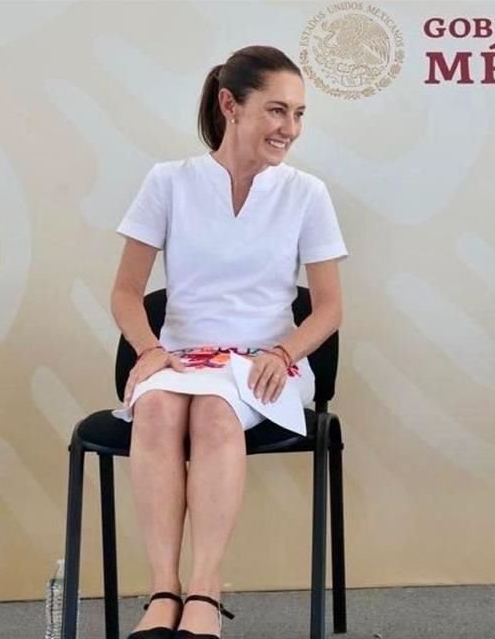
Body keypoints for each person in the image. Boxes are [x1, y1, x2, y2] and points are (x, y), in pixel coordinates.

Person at [110, 45, 346, 639]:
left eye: (297, 115)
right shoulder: (168, 182)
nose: (289, 129)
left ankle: (206, 595)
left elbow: (330, 308)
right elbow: (125, 293)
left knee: (215, 413)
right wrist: (149, 349)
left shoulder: (306, 194)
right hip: (182, 357)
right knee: (159, 407)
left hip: (268, 360)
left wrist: (286, 351)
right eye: (275, 111)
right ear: (229, 106)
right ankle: (164, 591)